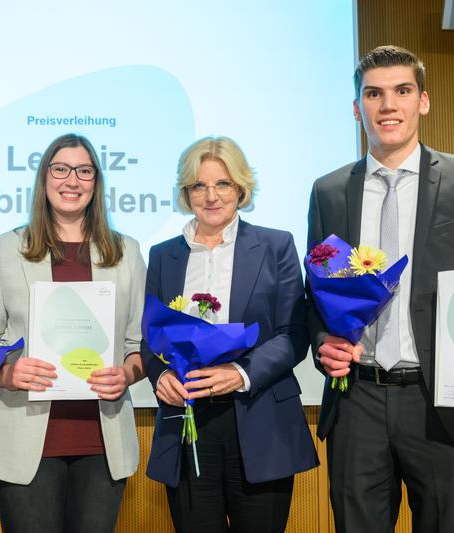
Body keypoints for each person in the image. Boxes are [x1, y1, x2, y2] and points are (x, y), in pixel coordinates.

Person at [307, 45, 454, 533]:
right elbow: (314, 292)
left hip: (440, 401)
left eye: (402, 91)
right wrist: (324, 343)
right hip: (356, 400)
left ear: (423, 101)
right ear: (356, 108)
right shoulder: (329, 190)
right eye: (374, 94)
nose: (387, 106)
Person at [0, 133, 146, 533]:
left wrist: (127, 374)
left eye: (84, 171)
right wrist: (7, 375)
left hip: (102, 443)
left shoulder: (127, 252)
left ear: (96, 182)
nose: (72, 180)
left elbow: (139, 346)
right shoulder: (7, 249)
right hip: (24, 440)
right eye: (61, 169)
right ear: (44, 179)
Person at [141, 136, 318, 533]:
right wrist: (161, 376)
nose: (211, 196)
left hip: (260, 420)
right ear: (186, 194)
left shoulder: (276, 246)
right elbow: (151, 338)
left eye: (222, 184)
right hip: (187, 423)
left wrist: (239, 373)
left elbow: (294, 334)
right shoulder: (162, 255)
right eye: (199, 186)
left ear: (240, 187)